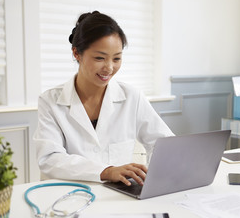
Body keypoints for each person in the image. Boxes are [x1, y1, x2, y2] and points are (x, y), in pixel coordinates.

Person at [34, 11, 174, 186]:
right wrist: (105, 171)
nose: (109, 68)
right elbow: (50, 159)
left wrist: (156, 178)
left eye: (117, 58)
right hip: (71, 195)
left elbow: (164, 144)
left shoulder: (132, 97)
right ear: (76, 53)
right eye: (99, 58)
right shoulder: (50, 101)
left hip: (118, 197)